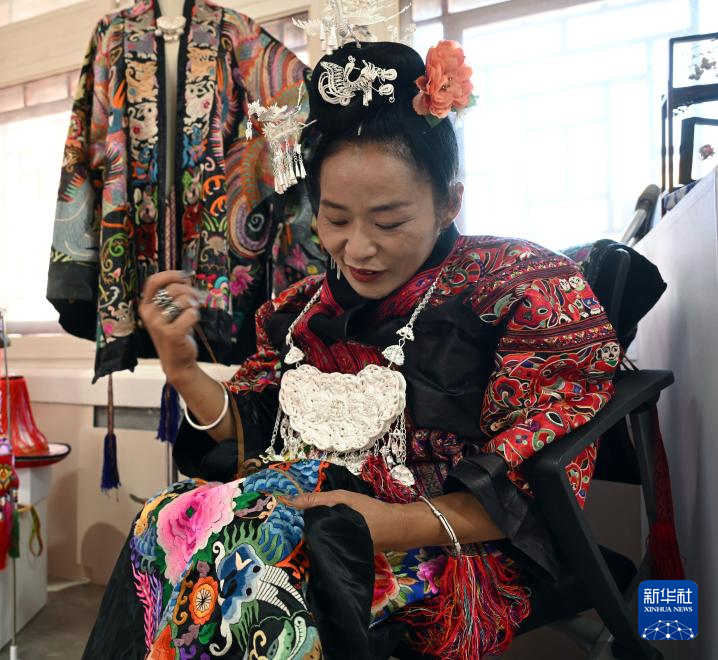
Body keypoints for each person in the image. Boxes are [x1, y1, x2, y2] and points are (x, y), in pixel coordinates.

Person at [84, 40, 619, 660]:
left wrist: (381, 521)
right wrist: (180, 366)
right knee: (166, 517)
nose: (358, 249)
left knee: (256, 565)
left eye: (388, 222)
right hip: (299, 516)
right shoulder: (300, 309)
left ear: (449, 201)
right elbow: (250, 430)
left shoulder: (520, 289)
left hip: (441, 543)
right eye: (336, 220)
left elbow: (527, 486)